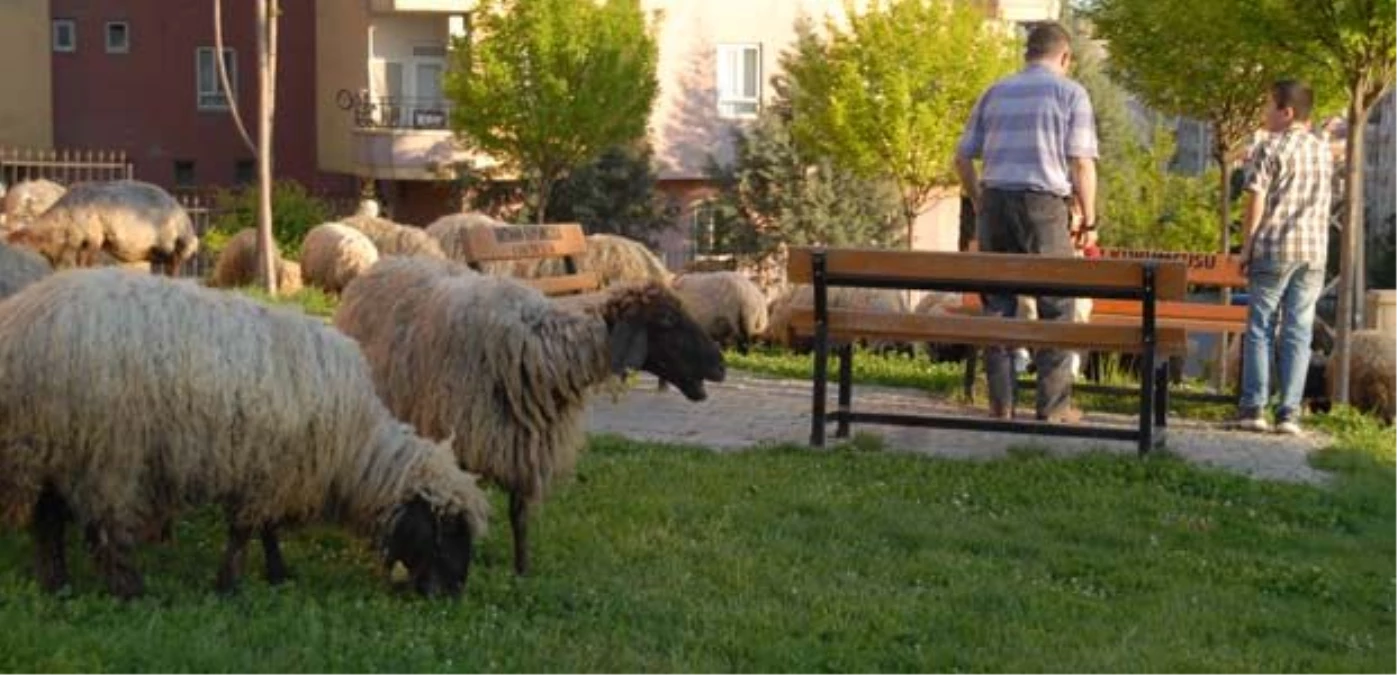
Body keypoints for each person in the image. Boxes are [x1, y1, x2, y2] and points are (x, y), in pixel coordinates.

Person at [953, 22, 1099, 423]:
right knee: (1056, 306)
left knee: (998, 305)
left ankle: (1001, 405)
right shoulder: (1071, 93)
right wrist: (1089, 216)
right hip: (1044, 208)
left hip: (996, 203)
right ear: (1065, 56)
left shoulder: (995, 91)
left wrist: (978, 198)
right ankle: (1052, 409)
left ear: (1027, 53)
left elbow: (962, 156)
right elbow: (1082, 162)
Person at [1230, 80, 1332, 435]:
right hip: (1313, 254)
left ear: (1286, 113)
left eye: (1268, 106)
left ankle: (1253, 407)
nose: (1263, 113)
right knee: (1298, 332)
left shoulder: (1269, 147)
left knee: (1260, 328)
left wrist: (1246, 249)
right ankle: (1289, 413)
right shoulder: (1322, 151)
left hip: (1274, 249)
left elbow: (1255, 201)